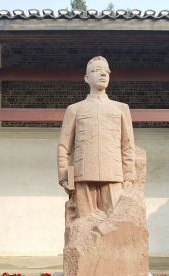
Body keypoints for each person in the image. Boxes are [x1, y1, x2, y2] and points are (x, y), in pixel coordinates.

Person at [57, 56, 136, 219]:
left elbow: (128, 145)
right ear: (86, 78)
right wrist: (64, 176)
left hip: (113, 175)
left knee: (115, 224)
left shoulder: (121, 109)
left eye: (106, 71)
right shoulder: (74, 109)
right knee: (84, 224)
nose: (103, 74)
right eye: (96, 70)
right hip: (83, 175)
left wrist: (129, 176)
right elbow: (64, 147)